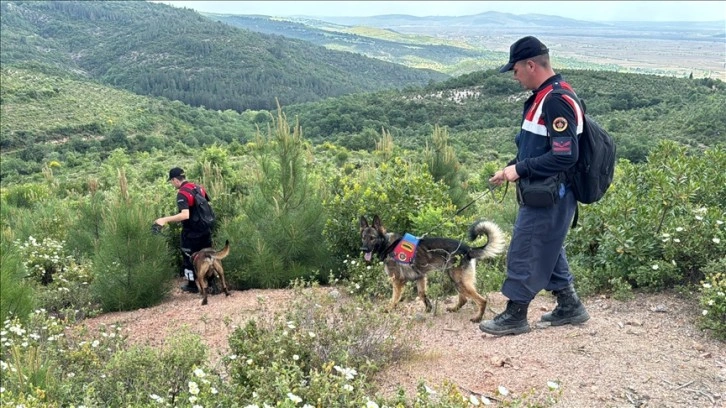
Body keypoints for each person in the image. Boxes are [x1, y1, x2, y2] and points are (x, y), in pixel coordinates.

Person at [480, 36, 590, 336]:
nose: (514, 76)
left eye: (515, 70)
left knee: (525, 248)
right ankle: (570, 305)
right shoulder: (543, 97)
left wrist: (521, 168)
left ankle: (515, 315)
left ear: (531, 65)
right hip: (542, 190)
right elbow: (535, 146)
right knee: (549, 246)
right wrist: (510, 169)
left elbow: (565, 155)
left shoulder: (556, 100)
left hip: (551, 193)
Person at [154, 167, 213, 293]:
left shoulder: (182, 193)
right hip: (205, 229)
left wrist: (164, 219)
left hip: (191, 232)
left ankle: (192, 285)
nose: (172, 183)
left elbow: (185, 215)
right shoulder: (198, 187)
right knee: (208, 255)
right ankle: (213, 284)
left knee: (188, 257)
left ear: (175, 180)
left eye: (171, 181)